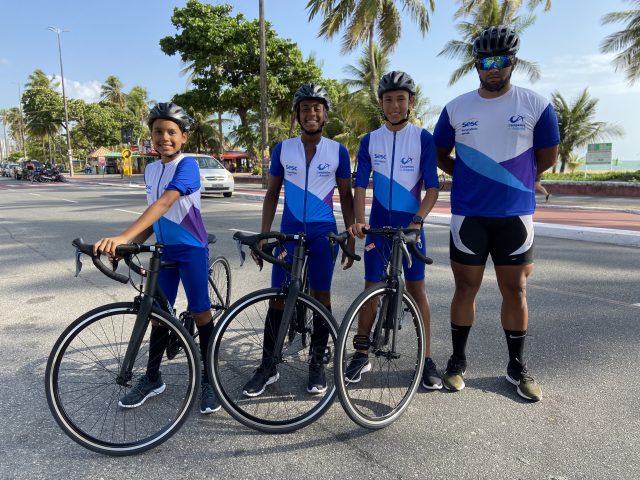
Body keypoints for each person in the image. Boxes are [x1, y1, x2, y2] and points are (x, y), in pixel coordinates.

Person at [432, 26, 560, 402]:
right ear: (476, 65)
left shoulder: (536, 106)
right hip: (468, 214)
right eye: (486, 62)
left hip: (515, 215)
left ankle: (516, 365)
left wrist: (516, 181)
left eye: (500, 61)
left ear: (512, 62)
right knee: (464, 288)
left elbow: (547, 157)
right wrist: (470, 177)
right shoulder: (456, 107)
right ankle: (457, 361)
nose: (493, 69)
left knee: (515, 289)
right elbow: (440, 154)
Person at [93, 102, 221, 414]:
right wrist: (129, 246)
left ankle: (210, 380)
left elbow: (165, 203)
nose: (164, 137)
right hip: (164, 251)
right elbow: (153, 220)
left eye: (171, 132)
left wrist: (122, 235)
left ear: (183, 137)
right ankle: (152, 378)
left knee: (201, 313)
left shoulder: (188, 166)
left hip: (191, 249)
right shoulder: (151, 170)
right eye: (157, 132)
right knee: (158, 314)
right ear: (151, 136)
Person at [243, 83, 356, 397]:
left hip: (323, 233)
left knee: (321, 297)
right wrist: (264, 236)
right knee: (278, 296)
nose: (311, 113)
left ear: (325, 114)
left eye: (317, 107)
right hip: (289, 233)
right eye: (305, 108)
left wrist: (350, 235)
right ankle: (268, 366)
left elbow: (346, 196)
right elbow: (271, 194)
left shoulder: (337, 151)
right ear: (297, 114)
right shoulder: (283, 148)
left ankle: (317, 364)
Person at [347, 71, 442, 390]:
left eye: (401, 99)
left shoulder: (423, 138)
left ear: (411, 102)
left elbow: (432, 188)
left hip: (411, 227)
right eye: (388, 100)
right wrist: (359, 220)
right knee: (370, 289)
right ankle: (361, 353)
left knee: (417, 291)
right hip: (378, 228)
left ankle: (426, 359)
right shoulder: (369, 140)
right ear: (381, 104)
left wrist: (418, 221)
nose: (395, 105)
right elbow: (359, 184)